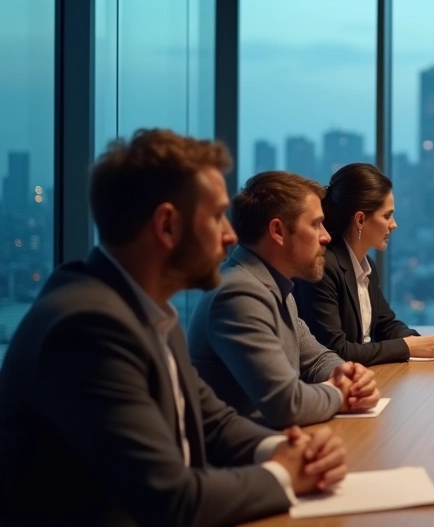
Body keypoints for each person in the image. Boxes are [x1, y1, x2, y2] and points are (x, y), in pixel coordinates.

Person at [0, 130, 347, 525]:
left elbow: (212, 422)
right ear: (167, 225)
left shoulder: (145, 310)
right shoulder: (88, 328)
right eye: (216, 217)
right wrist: (285, 473)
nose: (231, 235)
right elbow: (170, 500)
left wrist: (286, 449)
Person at [189, 171, 381, 429]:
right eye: (315, 224)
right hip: (243, 459)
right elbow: (286, 404)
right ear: (278, 231)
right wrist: (342, 393)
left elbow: (316, 358)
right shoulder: (239, 294)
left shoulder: (274, 286)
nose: (326, 236)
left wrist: (344, 373)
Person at [295, 163, 434, 364]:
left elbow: (385, 324)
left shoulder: (366, 264)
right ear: (360, 220)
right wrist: (407, 347)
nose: (394, 224)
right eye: (387, 216)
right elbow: (335, 351)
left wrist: (418, 341)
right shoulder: (324, 267)